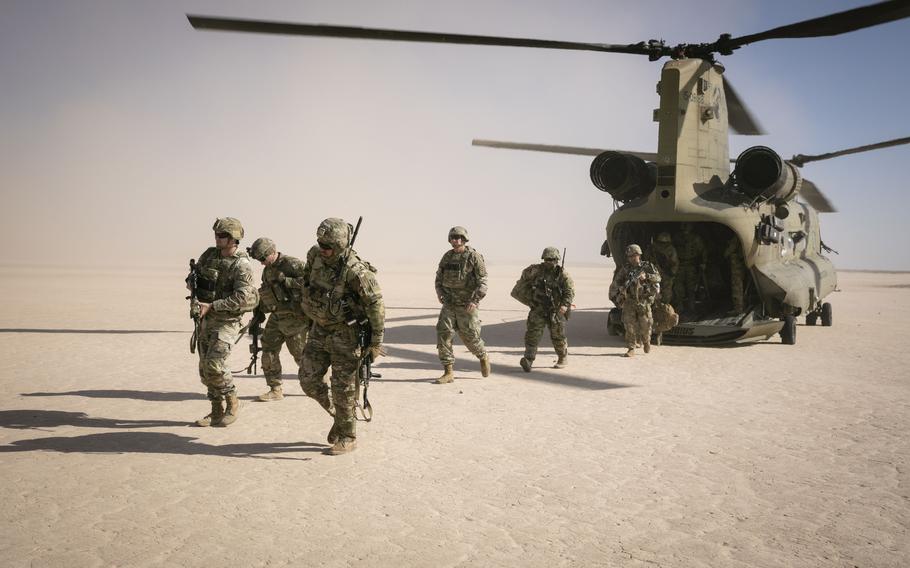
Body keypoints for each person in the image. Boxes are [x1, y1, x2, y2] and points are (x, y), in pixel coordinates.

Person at [298, 218, 384, 455]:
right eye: (320, 243)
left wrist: (376, 342)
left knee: (343, 387)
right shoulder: (314, 256)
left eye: (328, 246)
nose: (322, 249)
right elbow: (307, 282)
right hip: (319, 329)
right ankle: (340, 416)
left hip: (347, 334)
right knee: (308, 380)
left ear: (340, 245)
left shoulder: (356, 271)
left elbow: (376, 305)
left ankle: (348, 435)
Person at [190, 217, 259, 426]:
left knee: (215, 364)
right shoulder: (209, 255)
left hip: (227, 321)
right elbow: (196, 280)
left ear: (233, 239)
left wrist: (213, 306)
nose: (217, 238)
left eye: (222, 235)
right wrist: (193, 288)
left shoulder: (241, 264)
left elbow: (244, 297)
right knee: (205, 370)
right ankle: (216, 410)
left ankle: (232, 400)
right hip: (206, 319)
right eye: (216, 234)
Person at [247, 237, 312, 402]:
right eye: (258, 260)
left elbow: (312, 283)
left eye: (262, 258)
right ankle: (275, 388)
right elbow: (268, 291)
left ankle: (321, 385)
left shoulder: (292, 264)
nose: (261, 263)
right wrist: (259, 312)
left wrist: (287, 281)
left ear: (272, 252)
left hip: (296, 318)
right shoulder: (267, 270)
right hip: (277, 316)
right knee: (268, 350)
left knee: (301, 356)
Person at [434, 226, 491, 384]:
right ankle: (448, 371)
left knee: (470, 337)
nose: (455, 240)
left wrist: (475, 300)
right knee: (443, 333)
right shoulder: (447, 257)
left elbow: (483, 282)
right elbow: (439, 277)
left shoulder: (474, 257)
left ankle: (483, 356)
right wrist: (439, 292)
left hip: (467, 305)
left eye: (459, 237)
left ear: (464, 239)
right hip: (449, 303)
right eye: (453, 237)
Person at [511, 247, 575, 371]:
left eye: (552, 259)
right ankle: (528, 360)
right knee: (532, 335)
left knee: (558, 336)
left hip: (556, 310)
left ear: (557, 260)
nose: (549, 262)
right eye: (546, 259)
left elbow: (569, 291)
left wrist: (564, 305)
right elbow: (522, 282)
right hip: (538, 308)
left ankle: (562, 357)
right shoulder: (536, 271)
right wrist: (530, 299)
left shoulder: (562, 274)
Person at [609, 244, 661, 357]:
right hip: (630, 301)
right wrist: (620, 289)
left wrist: (646, 276)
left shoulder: (647, 266)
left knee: (646, 325)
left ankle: (646, 341)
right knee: (629, 325)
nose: (632, 258)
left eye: (634, 255)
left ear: (639, 255)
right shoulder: (626, 269)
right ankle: (631, 348)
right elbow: (617, 281)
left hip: (644, 301)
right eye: (630, 256)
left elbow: (658, 277)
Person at [645, 232, 678, 304]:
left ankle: (664, 306)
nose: (663, 245)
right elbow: (646, 260)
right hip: (654, 273)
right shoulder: (652, 248)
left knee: (666, 292)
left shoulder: (671, 249)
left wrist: (672, 273)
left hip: (666, 273)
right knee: (654, 291)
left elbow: (674, 263)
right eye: (661, 243)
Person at [722, 236, 746, 313]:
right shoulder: (739, 238)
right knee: (740, 286)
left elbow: (727, 252)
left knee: (736, 288)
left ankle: (738, 309)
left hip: (736, 266)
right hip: (740, 265)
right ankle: (741, 307)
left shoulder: (735, 239)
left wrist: (725, 253)